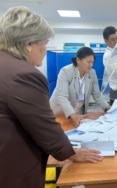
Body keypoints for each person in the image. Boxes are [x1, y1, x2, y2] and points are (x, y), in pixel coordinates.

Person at [0, 6, 103, 188]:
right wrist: (70, 152)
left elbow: (96, 93)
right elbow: (47, 122)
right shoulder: (24, 75)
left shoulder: (5, 65)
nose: (45, 50)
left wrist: (108, 108)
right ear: (29, 44)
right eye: (44, 44)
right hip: (13, 167)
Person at [50, 46, 110, 127]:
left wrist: (106, 107)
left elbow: (97, 95)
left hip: (77, 113)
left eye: (92, 62)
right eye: (88, 62)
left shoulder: (92, 73)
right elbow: (62, 97)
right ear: (78, 60)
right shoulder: (65, 72)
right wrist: (73, 115)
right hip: (60, 112)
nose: (91, 65)